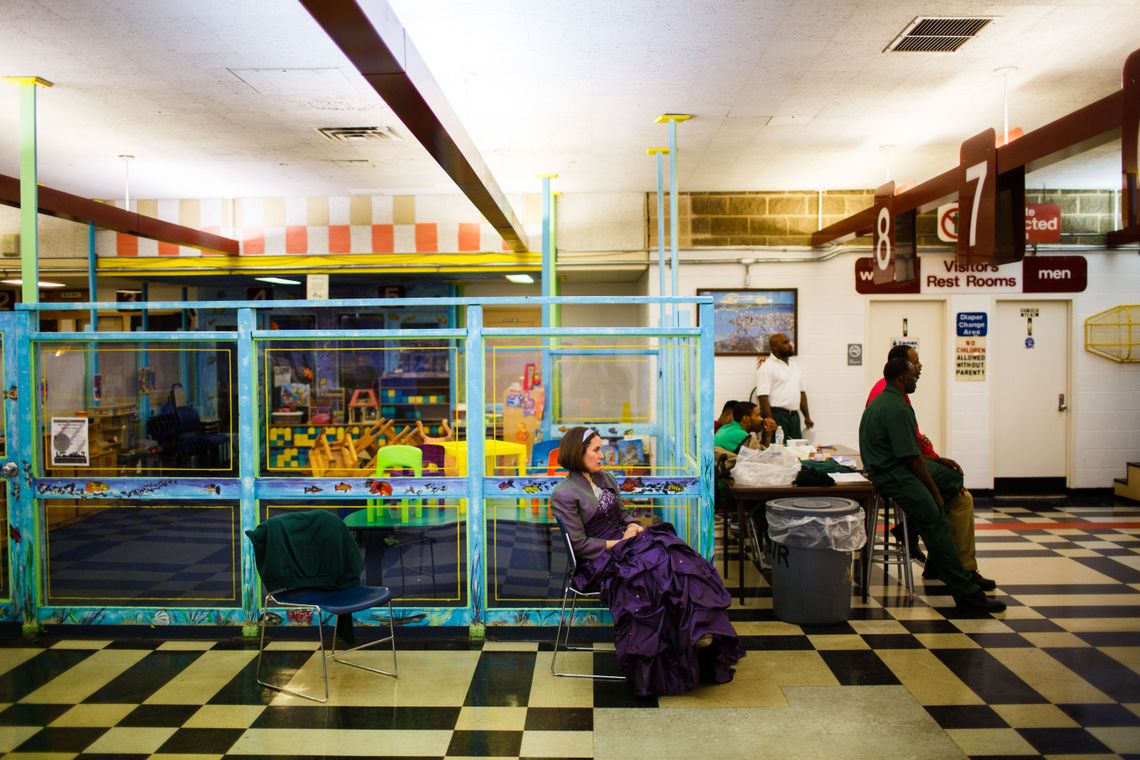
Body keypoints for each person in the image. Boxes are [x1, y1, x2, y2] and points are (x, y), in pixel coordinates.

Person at [550, 426, 745, 696]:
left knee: (675, 558)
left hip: (625, 545)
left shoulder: (605, 479)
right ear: (577, 452)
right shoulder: (564, 493)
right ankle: (669, 651)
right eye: (596, 450)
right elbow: (580, 545)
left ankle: (687, 636)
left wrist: (632, 526)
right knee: (652, 575)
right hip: (598, 561)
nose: (602, 456)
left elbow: (623, 514)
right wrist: (619, 543)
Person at [859, 359, 1005, 612]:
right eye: (914, 374)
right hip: (895, 476)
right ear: (903, 377)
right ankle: (967, 593)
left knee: (951, 476)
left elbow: (908, 452)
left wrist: (940, 464)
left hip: (887, 471)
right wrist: (933, 491)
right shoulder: (897, 407)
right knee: (937, 521)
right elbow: (910, 458)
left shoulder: (882, 402)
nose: (917, 378)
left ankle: (913, 525)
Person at [756, 332, 813, 439]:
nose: (790, 345)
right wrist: (771, 421)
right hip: (777, 415)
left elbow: (802, 392)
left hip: (794, 416)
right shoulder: (766, 368)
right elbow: (762, 397)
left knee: (797, 450)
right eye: (785, 343)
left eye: (789, 342)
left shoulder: (794, 366)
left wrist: (807, 417)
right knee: (779, 451)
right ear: (775, 348)